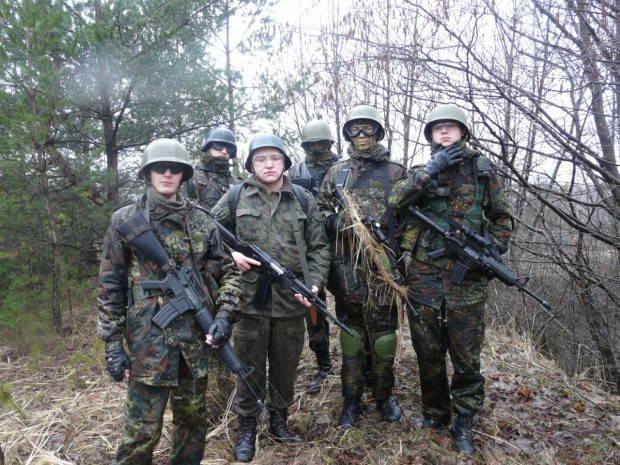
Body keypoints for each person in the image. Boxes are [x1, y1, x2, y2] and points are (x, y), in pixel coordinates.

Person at [97, 138, 243, 464]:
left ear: (183, 174)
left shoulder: (202, 219)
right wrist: (112, 346)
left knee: (192, 424)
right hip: (148, 343)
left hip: (196, 341)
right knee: (140, 433)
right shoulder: (125, 220)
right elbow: (110, 286)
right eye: (159, 168)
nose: (167, 173)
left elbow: (230, 274)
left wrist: (224, 316)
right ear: (147, 173)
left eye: (174, 168)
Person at [388, 104, 513, 454]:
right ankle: (435, 411)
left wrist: (493, 249)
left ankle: (464, 418)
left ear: (463, 132)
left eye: (451, 127)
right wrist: (431, 170)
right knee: (428, 351)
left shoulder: (483, 170)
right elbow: (395, 202)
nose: (444, 133)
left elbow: (502, 218)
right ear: (429, 135)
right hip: (424, 276)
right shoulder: (419, 171)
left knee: (466, 356)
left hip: (467, 282)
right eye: (438, 128)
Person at [211, 133, 330, 463]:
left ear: (284, 163)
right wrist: (230, 254)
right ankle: (247, 425)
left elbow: (319, 247)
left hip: (292, 300)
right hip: (248, 300)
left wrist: (315, 284)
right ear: (251, 164)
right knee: (248, 365)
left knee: (285, 365)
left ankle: (279, 419)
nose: (268, 164)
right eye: (261, 159)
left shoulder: (304, 199)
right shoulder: (235, 197)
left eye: (274, 159)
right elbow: (205, 232)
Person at [317, 105, 408, 430]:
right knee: (352, 338)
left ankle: (384, 396)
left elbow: (411, 223)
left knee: (384, 340)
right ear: (347, 135)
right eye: (355, 129)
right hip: (346, 272)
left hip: (384, 270)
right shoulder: (336, 173)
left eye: (368, 129)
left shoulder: (396, 173)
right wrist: (337, 221)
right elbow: (319, 213)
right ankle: (351, 399)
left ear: (378, 133)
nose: (361, 135)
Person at [288, 119, 341, 393]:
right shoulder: (295, 172)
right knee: (314, 311)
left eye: (321, 143)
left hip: (342, 246)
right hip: (309, 248)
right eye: (312, 144)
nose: (317, 148)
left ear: (330, 143)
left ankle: (360, 362)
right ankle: (323, 363)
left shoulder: (344, 169)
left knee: (349, 306)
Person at [185, 127, 243, 211]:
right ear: (208, 148)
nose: (224, 151)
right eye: (218, 145)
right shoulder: (192, 178)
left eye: (229, 148)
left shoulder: (238, 183)